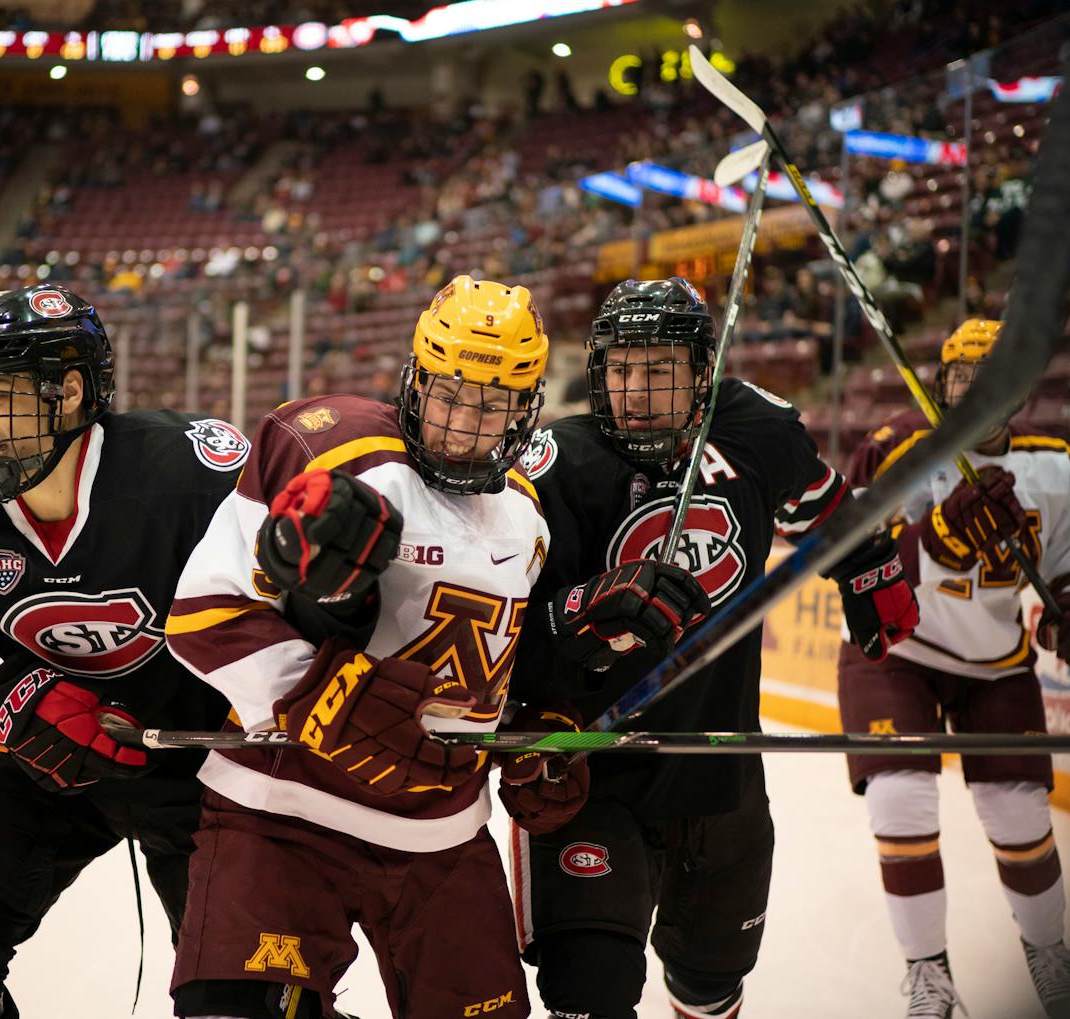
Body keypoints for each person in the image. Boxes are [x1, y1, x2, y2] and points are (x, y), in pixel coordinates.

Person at [162, 275, 704, 1018]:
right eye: (449, 393)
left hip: (441, 836)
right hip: (282, 808)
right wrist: (323, 696)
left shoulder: (528, 518)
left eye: (490, 405)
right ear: (416, 381)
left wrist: (533, 739)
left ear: (525, 410)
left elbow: (501, 674)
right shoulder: (331, 450)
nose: (461, 423)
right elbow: (203, 612)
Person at [510, 276, 920, 1019]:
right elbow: (511, 632)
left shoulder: (757, 427)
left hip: (720, 769)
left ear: (704, 369)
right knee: (589, 992)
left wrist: (868, 565)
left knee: (710, 985)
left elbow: (827, 507)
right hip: (596, 774)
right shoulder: (557, 465)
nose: (634, 391)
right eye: (620, 369)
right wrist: (573, 621)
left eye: (658, 369)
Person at [0, 284, 245, 1019]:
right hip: (47, 762)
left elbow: (301, 609)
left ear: (68, 392)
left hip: (209, 772)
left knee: (232, 999)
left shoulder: (192, 477)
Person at [837, 318, 1070, 1019]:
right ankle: (929, 973)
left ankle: (1047, 948)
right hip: (892, 651)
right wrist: (936, 537)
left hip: (994, 659)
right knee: (899, 798)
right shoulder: (901, 448)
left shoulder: (1054, 467)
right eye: (963, 374)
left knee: (1019, 811)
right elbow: (849, 557)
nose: (977, 388)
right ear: (942, 382)